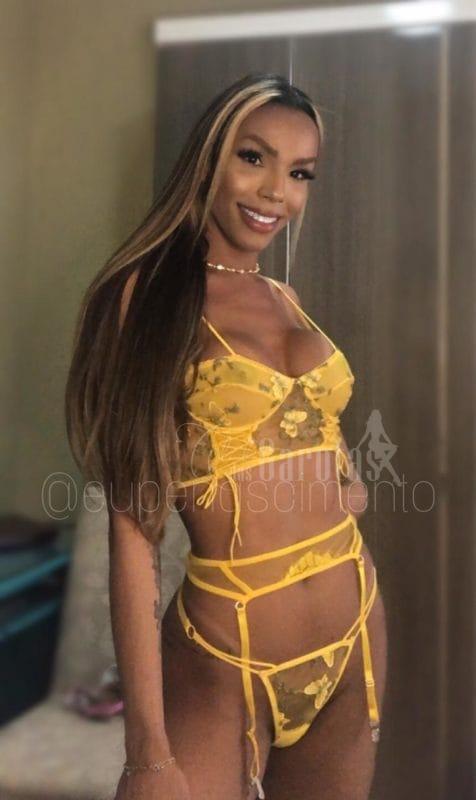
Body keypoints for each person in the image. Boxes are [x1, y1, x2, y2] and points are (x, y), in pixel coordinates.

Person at [65, 72, 387, 800]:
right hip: (225, 654)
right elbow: (133, 530)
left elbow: (315, 430)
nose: (277, 192)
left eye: (300, 173)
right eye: (253, 157)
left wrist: (342, 477)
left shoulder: (284, 297)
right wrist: (147, 754)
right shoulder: (141, 298)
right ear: (209, 157)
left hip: (354, 629)